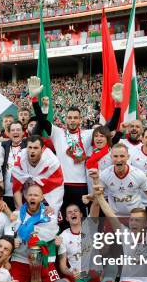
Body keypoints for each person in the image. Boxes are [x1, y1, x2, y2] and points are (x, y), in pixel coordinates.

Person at [28, 76, 121, 214]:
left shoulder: (88, 134)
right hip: (61, 185)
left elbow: (109, 128)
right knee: (63, 219)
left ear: (80, 119)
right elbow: (42, 121)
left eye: (75, 118)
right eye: (70, 117)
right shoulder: (58, 133)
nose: (72, 120)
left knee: (82, 219)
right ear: (66, 119)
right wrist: (35, 100)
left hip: (82, 185)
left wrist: (118, 105)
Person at [54, 204, 101, 282]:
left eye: (76, 211)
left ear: (81, 215)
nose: (73, 213)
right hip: (78, 277)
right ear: (67, 218)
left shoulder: (90, 226)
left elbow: (95, 209)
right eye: (69, 212)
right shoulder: (63, 236)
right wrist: (70, 272)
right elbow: (63, 266)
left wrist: (95, 196)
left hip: (94, 277)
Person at [8, 182, 60, 282]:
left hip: (43, 261)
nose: (32, 197)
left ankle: (35, 279)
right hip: (20, 260)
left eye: (36, 195)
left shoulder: (49, 216)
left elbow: (49, 236)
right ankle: (29, 279)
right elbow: (8, 235)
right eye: (30, 194)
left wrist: (28, 232)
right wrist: (13, 240)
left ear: (42, 198)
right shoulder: (16, 215)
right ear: (25, 196)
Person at [96, 143, 147, 216]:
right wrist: (89, 196)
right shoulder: (105, 174)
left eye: (122, 156)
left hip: (136, 217)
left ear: (128, 157)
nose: (119, 159)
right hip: (115, 217)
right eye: (115, 156)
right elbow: (99, 193)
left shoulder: (138, 174)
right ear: (111, 157)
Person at [11, 135, 64, 216]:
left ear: (42, 149)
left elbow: (58, 187)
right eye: (30, 147)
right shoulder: (20, 158)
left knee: (49, 219)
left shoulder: (52, 161)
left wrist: (53, 206)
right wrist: (20, 208)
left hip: (47, 198)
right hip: (27, 197)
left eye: (35, 148)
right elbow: (16, 187)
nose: (32, 151)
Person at [1, 121, 27, 210]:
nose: (15, 132)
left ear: (23, 132)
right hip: (5, 194)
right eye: (13, 130)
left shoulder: (28, 145)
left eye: (18, 130)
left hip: (23, 194)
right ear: (8, 133)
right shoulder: (3, 145)